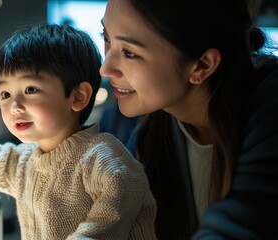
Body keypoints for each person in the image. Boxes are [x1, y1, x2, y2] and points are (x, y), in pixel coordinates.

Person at [0, 24, 157, 239]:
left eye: (30, 89)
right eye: (6, 94)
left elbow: (108, 219)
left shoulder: (102, 159)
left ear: (78, 96)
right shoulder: (25, 161)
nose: (14, 106)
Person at [100, 0, 278, 239]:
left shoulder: (270, 109)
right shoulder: (148, 137)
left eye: (129, 53)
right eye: (106, 38)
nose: (105, 68)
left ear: (202, 66)